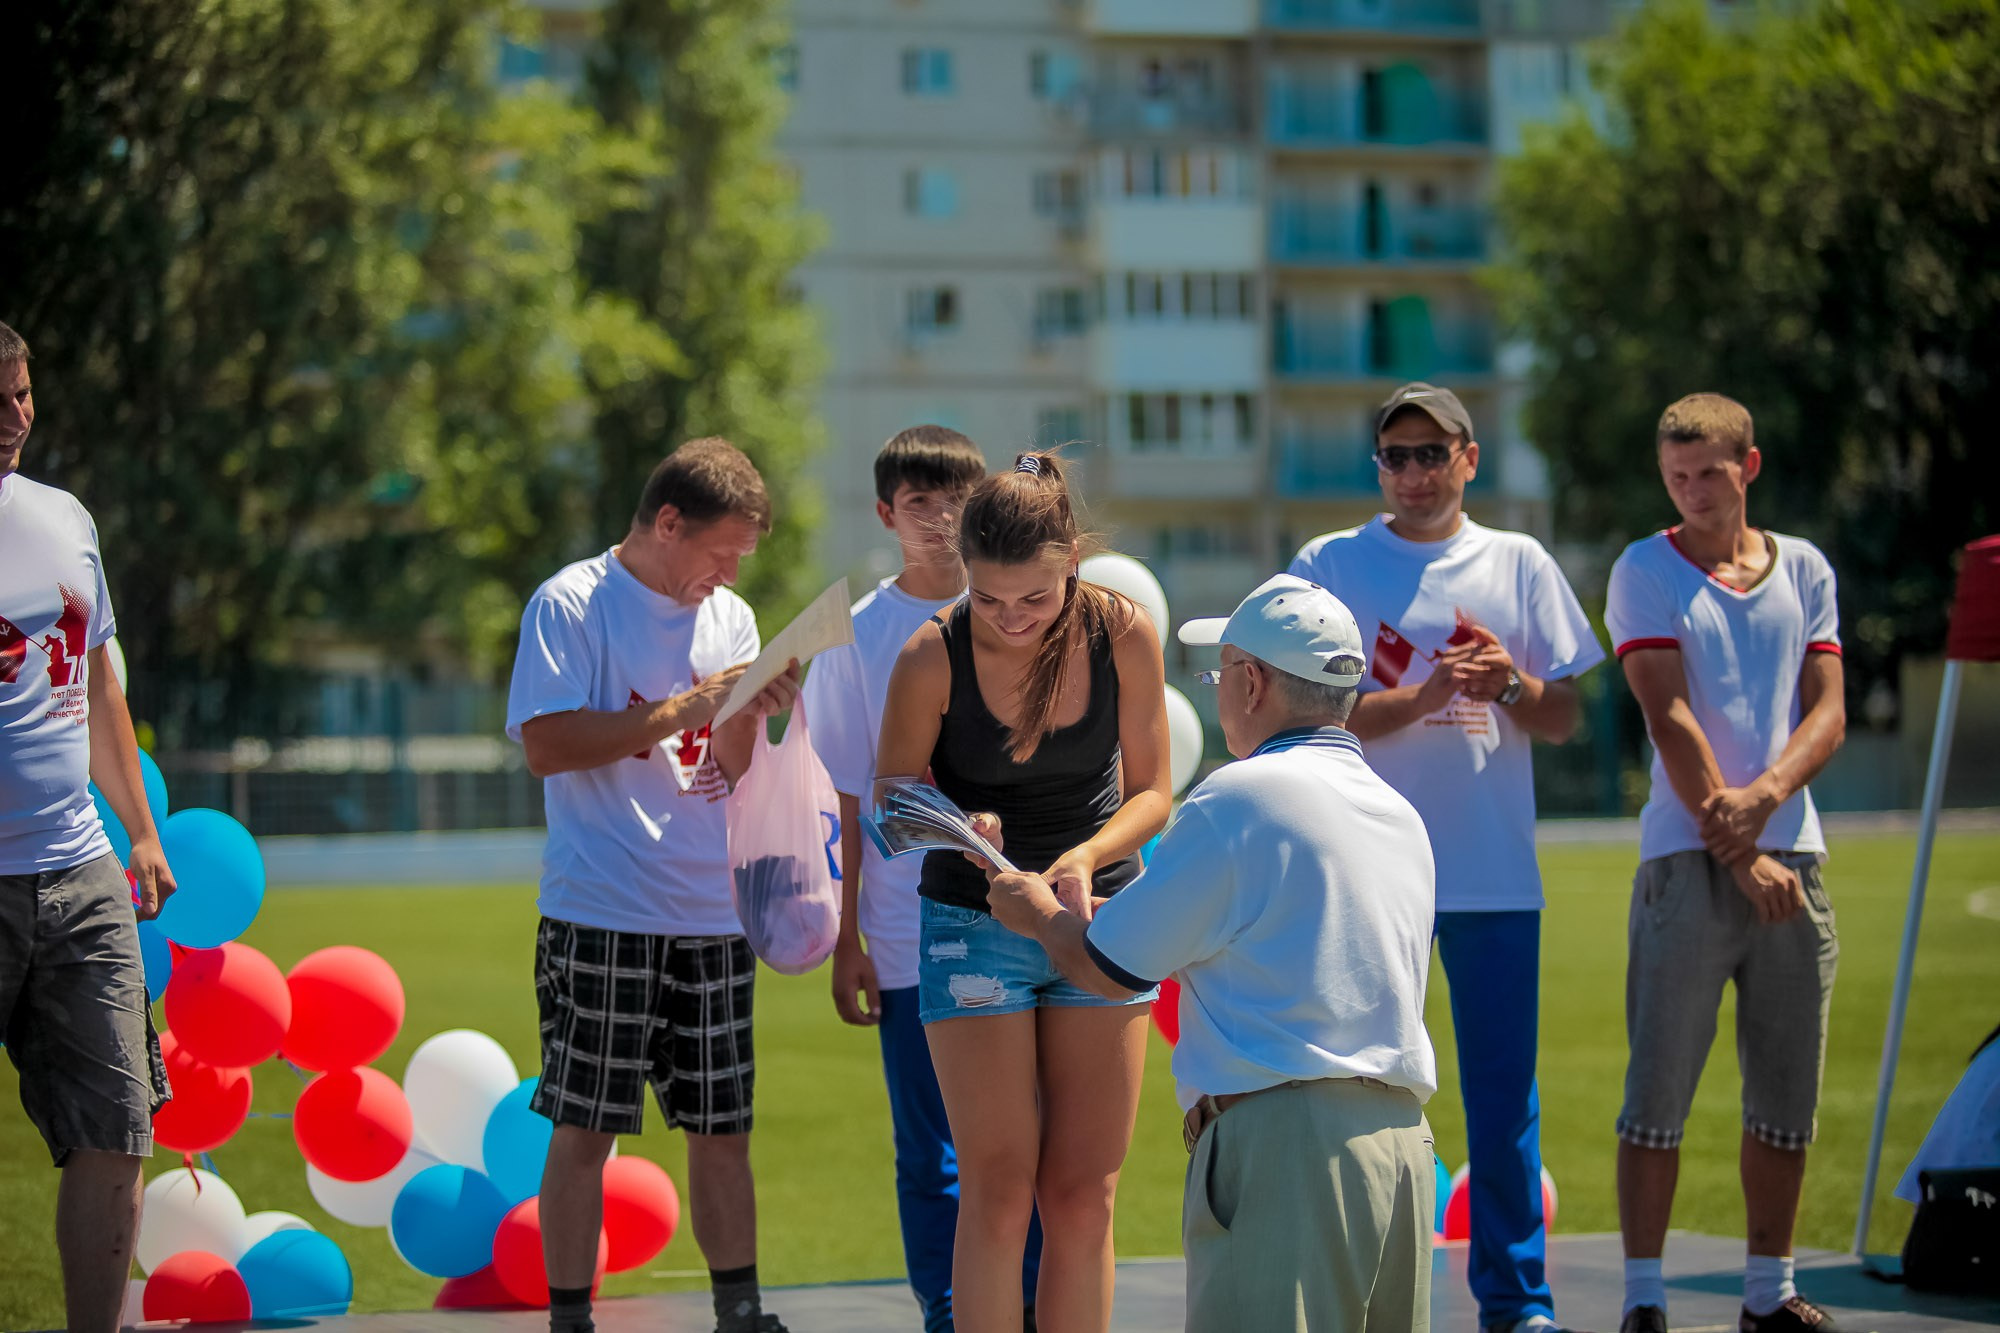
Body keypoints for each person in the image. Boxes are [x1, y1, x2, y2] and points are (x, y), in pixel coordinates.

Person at [980, 573, 1440, 1332]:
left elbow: (1103, 965)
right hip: (1400, 1147)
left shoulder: (1241, 796)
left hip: (1289, 1151)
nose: (1217, 689)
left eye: (1221, 671)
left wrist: (1034, 913)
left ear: (1253, 681)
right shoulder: (1397, 811)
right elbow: (1270, 933)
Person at [1288, 381, 1604, 1333]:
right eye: (1397, 456)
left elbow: (1566, 715)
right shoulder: (1329, 564)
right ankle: (1355, 1296)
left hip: (1492, 875)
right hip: (1364, 879)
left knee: (1503, 1097)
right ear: (1377, 466)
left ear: (1471, 459)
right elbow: (1306, 710)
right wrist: (1422, 700)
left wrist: (1512, 682)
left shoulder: (1519, 561)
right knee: (1350, 1092)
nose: (1415, 473)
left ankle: (1518, 1304)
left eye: (1434, 453)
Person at [506, 436, 801, 1333]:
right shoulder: (571, 602)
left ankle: (740, 1312)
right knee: (585, 1127)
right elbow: (546, 746)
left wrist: (753, 712)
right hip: (601, 911)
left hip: (713, 915)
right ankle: (570, 1319)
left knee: (724, 1128)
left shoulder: (733, 619)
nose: (728, 571)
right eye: (721, 551)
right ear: (668, 522)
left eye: (741, 557)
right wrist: (690, 706)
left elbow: (734, 766)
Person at [874, 451, 1171, 1333]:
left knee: (1083, 1196)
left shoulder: (1123, 631)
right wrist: (960, 821)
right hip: (974, 925)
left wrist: (1082, 857)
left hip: (1100, 920)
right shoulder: (930, 653)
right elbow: (891, 797)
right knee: (998, 1194)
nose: (1010, 619)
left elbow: (1155, 789)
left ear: (1070, 560)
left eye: (1034, 599)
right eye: (989, 598)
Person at [1605, 393, 1845, 1333]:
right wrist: (1741, 849)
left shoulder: (1808, 568)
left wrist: (1766, 800)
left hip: (1798, 857)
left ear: (1749, 468)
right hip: (1689, 859)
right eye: (1676, 476)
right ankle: (1645, 1300)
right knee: (1656, 1093)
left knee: (1787, 1097)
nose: (1693, 491)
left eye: (1709, 472)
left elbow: (1826, 710)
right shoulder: (1642, 569)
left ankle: (1766, 1293)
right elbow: (1668, 717)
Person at [802, 425, 1044, 1330]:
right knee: (930, 1152)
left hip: (1022, 918)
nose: (940, 520)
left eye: (955, 500)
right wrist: (846, 939)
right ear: (885, 513)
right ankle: (947, 1311)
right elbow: (844, 795)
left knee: (1025, 1141)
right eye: (919, 503)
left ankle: (1025, 1304)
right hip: (907, 932)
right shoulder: (857, 636)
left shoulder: (1026, 611)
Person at [0, 319, 177, 1333]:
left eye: (25, 394)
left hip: (77, 865)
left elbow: (98, 681)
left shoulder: (65, 518)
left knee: (119, 1125)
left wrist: (139, 831)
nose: (17, 417)